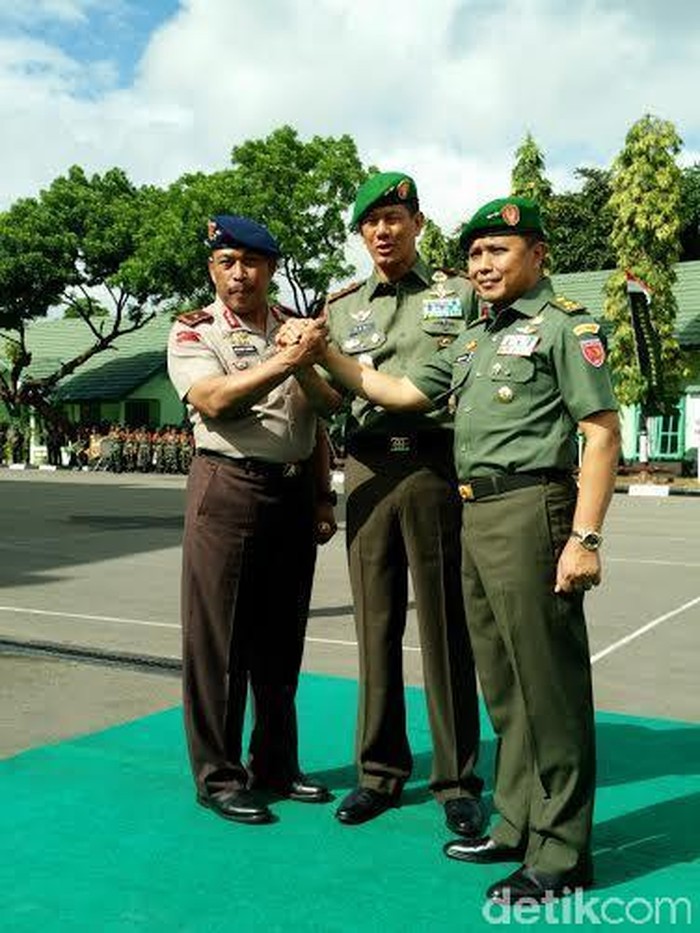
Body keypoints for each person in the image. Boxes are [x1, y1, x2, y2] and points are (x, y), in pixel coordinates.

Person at [292, 196, 621, 903]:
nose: (484, 264)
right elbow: (396, 387)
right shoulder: (471, 341)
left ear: (537, 255)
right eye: (475, 254)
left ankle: (562, 851)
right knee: (503, 685)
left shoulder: (566, 328)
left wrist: (584, 538)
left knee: (550, 689)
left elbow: (600, 433)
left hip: (535, 506)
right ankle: (516, 823)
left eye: (499, 250)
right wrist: (320, 353)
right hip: (475, 512)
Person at [282, 171, 484, 836]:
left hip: (432, 464)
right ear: (362, 235)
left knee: (446, 630)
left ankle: (456, 779)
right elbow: (333, 401)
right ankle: (379, 773)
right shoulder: (341, 309)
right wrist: (304, 363)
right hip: (368, 465)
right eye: (371, 223)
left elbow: (440, 385)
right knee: (375, 626)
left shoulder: (459, 293)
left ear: (418, 223)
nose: (383, 232)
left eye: (395, 219)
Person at [167, 214, 337, 825]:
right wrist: (286, 364)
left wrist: (322, 497)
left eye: (251, 262)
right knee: (219, 641)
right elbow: (213, 399)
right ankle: (218, 776)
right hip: (227, 486)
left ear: (270, 266)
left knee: (280, 638)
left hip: (292, 494)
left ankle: (275, 763)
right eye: (226, 263)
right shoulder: (194, 330)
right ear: (213, 269)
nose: (239, 275)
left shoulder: (297, 329)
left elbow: (321, 415)